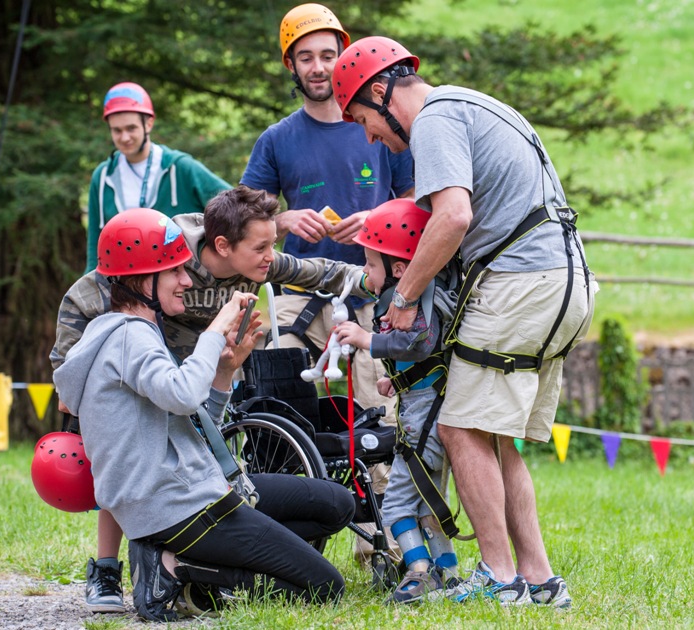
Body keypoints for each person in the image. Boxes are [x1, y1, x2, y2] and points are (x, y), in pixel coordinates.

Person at [333, 37, 597, 607]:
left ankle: (500, 580)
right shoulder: (476, 104)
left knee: (457, 429)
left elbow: (453, 217)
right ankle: (540, 580)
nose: (368, 137)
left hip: (519, 283)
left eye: (362, 119)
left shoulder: (435, 119)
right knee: (496, 437)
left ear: (380, 91)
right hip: (566, 282)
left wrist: (404, 295)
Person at [51, 186, 368, 615]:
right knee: (324, 586)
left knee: (336, 503)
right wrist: (215, 331)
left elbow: (193, 425)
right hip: (176, 492)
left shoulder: (155, 322)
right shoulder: (129, 327)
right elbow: (92, 299)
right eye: (174, 273)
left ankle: (200, 555)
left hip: (195, 457)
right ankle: (164, 567)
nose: (184, 278)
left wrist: (222, 373)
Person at [240, 3, 414, 423]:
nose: (318, 68)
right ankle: (294, 487)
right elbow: (242, 221)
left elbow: (416, 206)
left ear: (343, 57)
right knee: (274, 401)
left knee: (384, 415)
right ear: (291, 66)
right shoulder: (277, 139)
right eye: (305, 58)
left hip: (373, 294)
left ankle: (380, 490)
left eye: (326, 55)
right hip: (296, 294)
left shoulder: (381, 124)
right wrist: (282, 220)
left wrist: (377, 223)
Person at [333, 199, 461, 605]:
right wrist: (397, 378)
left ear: (399, 269)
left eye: (370, 265)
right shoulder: (424, 293)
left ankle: (419, 573)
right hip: (425, 411)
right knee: (426, 504)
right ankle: (449, 574)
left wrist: (366, 339)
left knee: (398, 507)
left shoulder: (408, 298)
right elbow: (423, 353)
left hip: (425, 421)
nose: (366, 273)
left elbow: (419, 342)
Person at [86, 81, 232, 273]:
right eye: (117, 130)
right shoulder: (103, 176)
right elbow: (94, 248)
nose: (124, 137)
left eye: (131, 128)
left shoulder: (180, 167)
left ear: (148, 123)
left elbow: (233, 206)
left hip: (184, 283)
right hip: (129, 289)